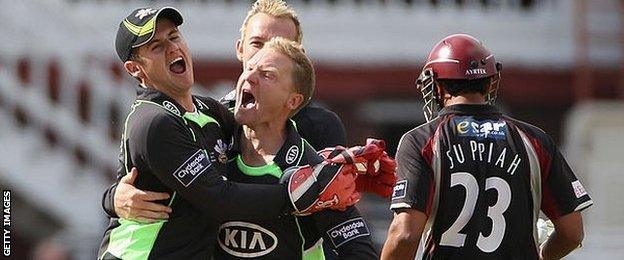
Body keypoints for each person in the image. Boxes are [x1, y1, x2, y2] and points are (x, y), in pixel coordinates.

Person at [97, 7, 388, 259]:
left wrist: (339, 181)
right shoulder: (176, 120)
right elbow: (217, 197)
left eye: (174, 37)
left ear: (294, 97)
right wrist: (112, 198)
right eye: (257, 48)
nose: (263, 59)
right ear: (241, 52)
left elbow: (346, 223)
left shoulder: (214, 114)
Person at [380, 34, 593, 260]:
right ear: (491, 81)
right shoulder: (534, 139)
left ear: (438, 86)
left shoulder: (421, 140)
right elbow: (572, 233)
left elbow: (404, 235)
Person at [212, 37, 380, 259]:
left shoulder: (314, 172)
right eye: (250, 67)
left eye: (267, 75)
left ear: (293, 101)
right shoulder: (210, 147)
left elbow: (360, 251)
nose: (249, 77)